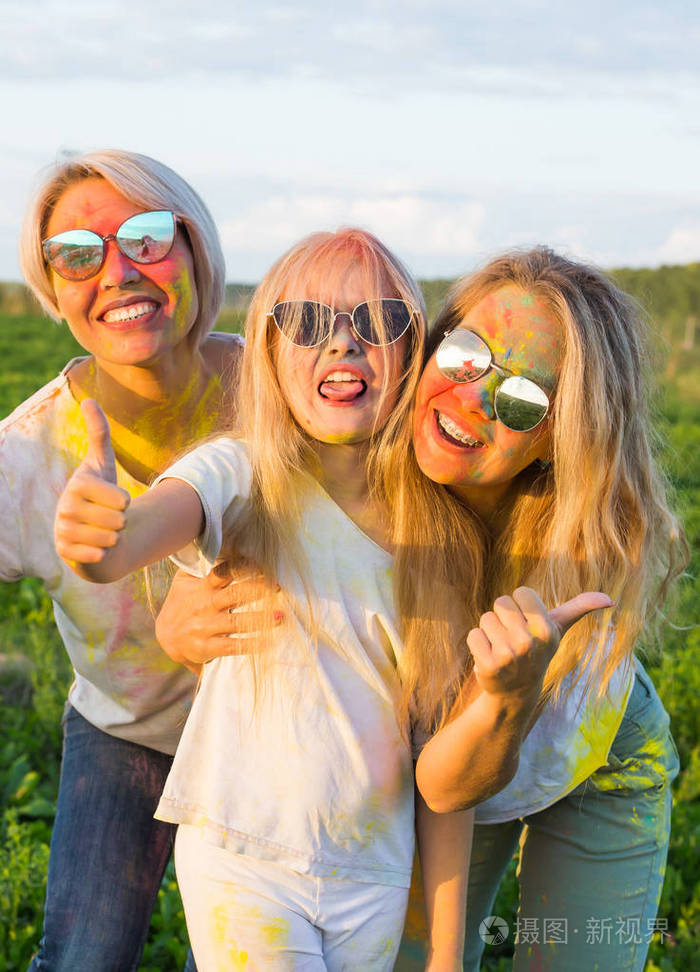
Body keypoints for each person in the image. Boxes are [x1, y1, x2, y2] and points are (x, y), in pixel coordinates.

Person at [53, 228, 476, 970]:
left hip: (372, 874)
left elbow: (442, 764)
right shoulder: (244, 473)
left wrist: (446, 953)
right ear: (269, 354)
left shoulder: (440, 535)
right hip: (245, 854)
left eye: (376, 322)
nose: (341, 344)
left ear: (413, 352)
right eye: (307, 323)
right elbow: (152, 524)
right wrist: (104, 538)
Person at [1, 149, 259, 971]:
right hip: (126, 733)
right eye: (76, 254)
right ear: (54, 289)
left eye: (147, 237)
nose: (116, 271)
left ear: (193, 251)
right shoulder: (28, 456)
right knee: (83, 957)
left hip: (276, 740)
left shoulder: (286, 396)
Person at [398, 247, 686, 970]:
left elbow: (461, 777)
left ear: (564, 436)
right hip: (465, 765)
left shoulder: (567, 548)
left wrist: (507, 697)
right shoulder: (364, 467)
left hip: (595, 751)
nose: (471, 399)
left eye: (523, 400)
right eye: (465, 354)